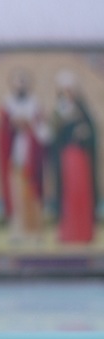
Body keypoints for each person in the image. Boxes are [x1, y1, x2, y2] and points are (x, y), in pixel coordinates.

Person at [0, 69, 47, 242]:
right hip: (15, 156)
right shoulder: (7, 104)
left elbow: (43, 131)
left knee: (32, 194)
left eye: (23, 82)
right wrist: (12, 125)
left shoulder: (34, 103)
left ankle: (35, 233)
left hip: (32, 157)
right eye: (17, 83)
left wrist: (30, 125)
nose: (20, 86)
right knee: (16, 193)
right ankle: (17, 232)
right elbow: (2, 130)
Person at [50, 70, 98, 243]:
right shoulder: (59, 110)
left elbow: (91, 131)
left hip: (81, 158)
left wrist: (85, 133)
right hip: (67, 158)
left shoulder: (81, 108)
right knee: (69, 193)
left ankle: (84, 232)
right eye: (65, 90)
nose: (68, 93)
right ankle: (70, 232)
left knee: (82, 193)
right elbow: (55, 135)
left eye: (70, 90)